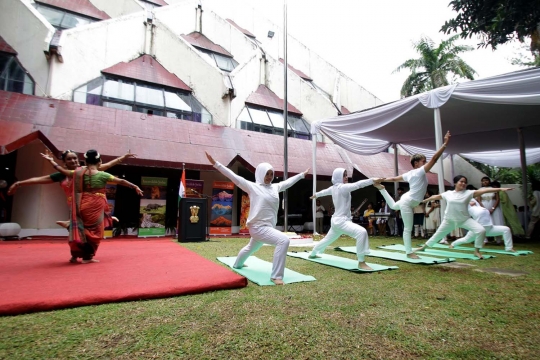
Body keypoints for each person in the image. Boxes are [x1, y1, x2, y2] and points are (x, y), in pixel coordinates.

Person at [8, 149, 135, 262]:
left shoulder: (86, 172)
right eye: (69, 159)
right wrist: (19, 183)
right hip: (75, 205)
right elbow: (40, 179)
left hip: (90, 205)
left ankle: (86, 252)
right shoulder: (63, 175)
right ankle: (76, 253)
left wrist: (123, 157)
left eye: (75, 158)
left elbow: (106, 165)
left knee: (86, 232)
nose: (73, 160)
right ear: (64, 162)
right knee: (78, 233)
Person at [205, 152, 308, 285]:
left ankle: (237, 264)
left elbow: (288, 182)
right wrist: (216, 164)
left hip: (267, 227)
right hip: (257, 227)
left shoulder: (275, 187)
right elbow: (234, 177)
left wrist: (301, 175)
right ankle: (276, 276)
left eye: (271, 174)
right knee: (283, 240)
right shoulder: (252, 187)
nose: (269, 177)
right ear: (260, 173)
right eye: (267, 174)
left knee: (251, 248)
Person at [42, 150, 143, 263]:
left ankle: (75, 250)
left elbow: (63, 171)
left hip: (82, 203)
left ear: (85, 161)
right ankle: (87, 257)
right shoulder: (103, 175)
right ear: (99, 162)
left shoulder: (78, 173)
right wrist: (134, 186)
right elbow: (121, 181)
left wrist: (52, 162)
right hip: (96, 204)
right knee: (96, 232)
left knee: (79, 229)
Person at [375, 131, 450, 258]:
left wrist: (382, 180)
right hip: (408, 202)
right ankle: (409, 252)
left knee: (393, 206)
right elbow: (434, 159)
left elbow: (394, 179)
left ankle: (382, 189)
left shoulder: (410, 174)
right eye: (423, 161)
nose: (425, 163)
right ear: (416, 164)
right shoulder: (419, 172)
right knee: (408, 228)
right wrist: (445, 144)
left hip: (407, 198)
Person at [414, 175, 513, 259]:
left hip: (464, 220)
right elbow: (435, 197)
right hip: (449, 220)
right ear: (456, 183)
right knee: (437, 235)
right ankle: (424, 247)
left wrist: (500, 189)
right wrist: (423, 201)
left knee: (481, 230)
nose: (463, 183)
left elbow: (485, 190)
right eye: (461, 181)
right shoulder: (448, 194)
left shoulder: (469, 193)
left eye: (465, 182)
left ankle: (477, 251)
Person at [308, 168, 383, 270]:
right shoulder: (343, 188)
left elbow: (324, 192)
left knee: (327, 240)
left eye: (346, 175)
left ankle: (313, 253)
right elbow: (358, 185)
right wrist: (372, 180)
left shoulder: (334, 188)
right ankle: (361, 262)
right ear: (338, 177)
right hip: (341, 221)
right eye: (344, 175)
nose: (346, 177)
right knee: (361, 232)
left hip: (336, 221)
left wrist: (316, 195)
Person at [451, 198, 515, 252]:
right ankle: (453, 244)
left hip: (489, 228)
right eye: (470, 201)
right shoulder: (469, 209)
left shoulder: (480, 207)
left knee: (506, 229)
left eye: (473, 200)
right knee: (466, 240)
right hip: (478, 229)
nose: (472, 202)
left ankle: (509, 248)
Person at [477, 176, 504, 242]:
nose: (485, 182)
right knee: (484, 223)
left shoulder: (494, 189)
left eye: (486, 180)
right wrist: (484, 209)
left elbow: (497, 199)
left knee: (496, 222)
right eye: (483, 181)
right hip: (484, 208)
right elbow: (479, 200)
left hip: (494, 208)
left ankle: (498, 240)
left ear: (489, 181)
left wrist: (493, 208)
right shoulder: (479, 190)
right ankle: (484, 239)